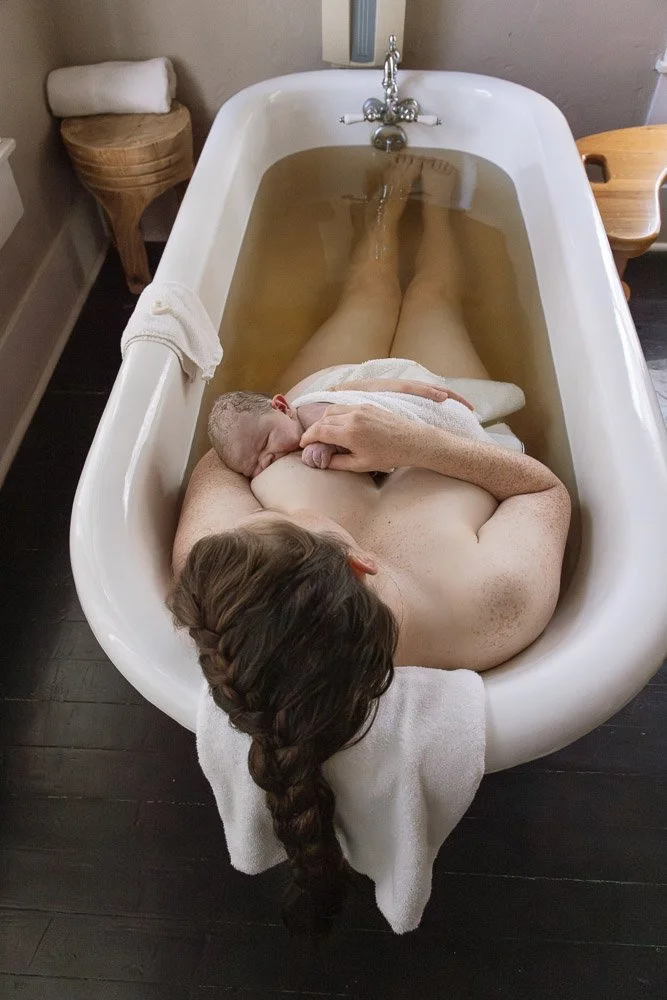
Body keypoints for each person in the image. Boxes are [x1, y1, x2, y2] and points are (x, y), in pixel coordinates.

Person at [168, 155, 571, 936]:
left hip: (309, 401)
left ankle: (387, 209)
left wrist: (306, 416)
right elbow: (542, 488)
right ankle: (443, 212)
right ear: (361, 561)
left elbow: (221, 459)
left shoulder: (219, 572)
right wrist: (412, 435)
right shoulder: (490, 609)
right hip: (451, 411)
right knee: (431, 294)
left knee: (365, 289)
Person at [206, 380, 477, 476]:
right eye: (252, 468)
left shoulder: (313, 414)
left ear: (281, 407)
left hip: (435, 421)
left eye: (265, 443)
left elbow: (364, 430)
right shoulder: (294, 422)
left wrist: (327, 443)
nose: (266, 461)